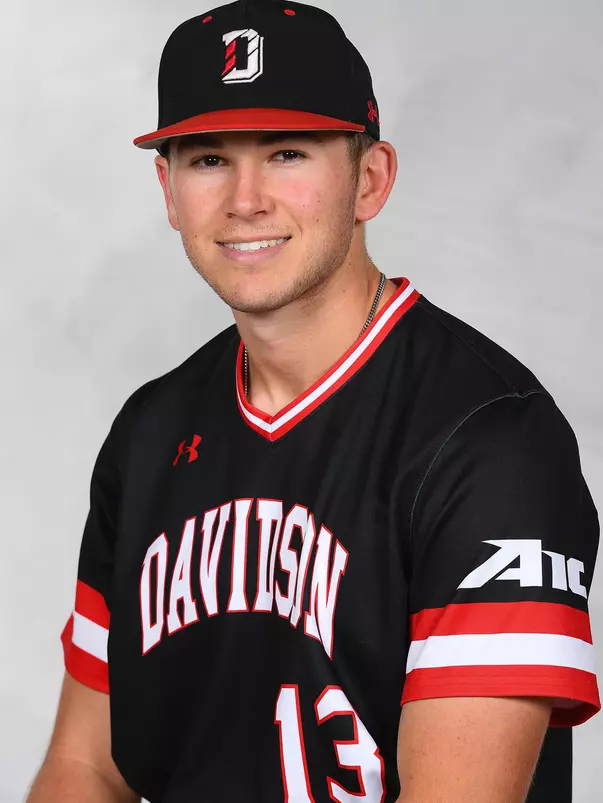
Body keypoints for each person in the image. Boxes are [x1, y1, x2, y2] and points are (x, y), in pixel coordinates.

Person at [27, 1, 600, 801]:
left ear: (369, 179)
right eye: (207, 160)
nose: (245, 199)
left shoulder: (490, 439)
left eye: (287, 152)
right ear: (167, 187)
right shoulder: (149, 433)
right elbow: (83, 767)